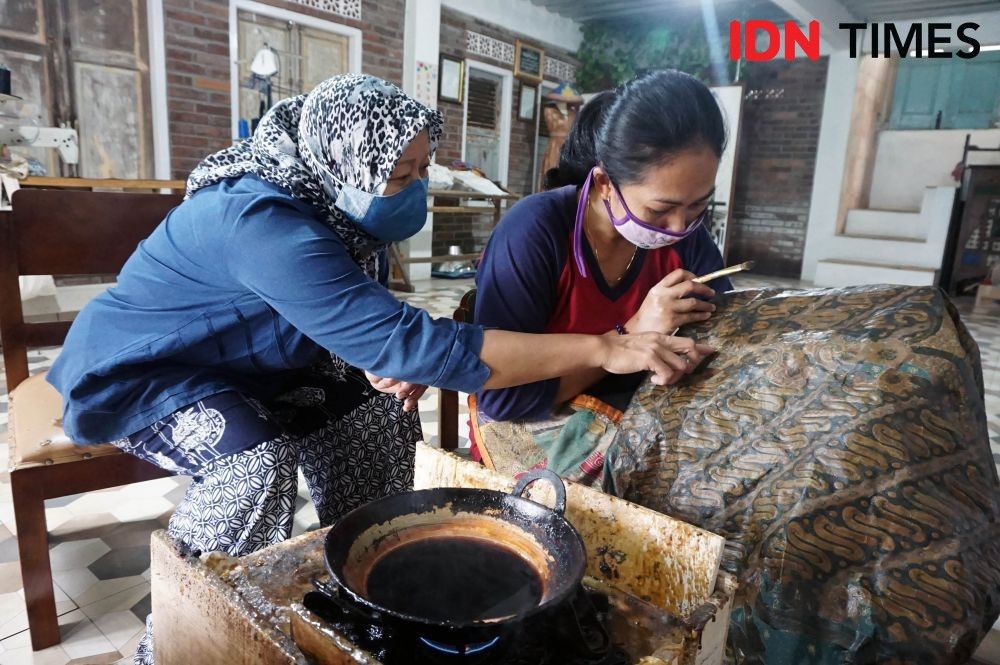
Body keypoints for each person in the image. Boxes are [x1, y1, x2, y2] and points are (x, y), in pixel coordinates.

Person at [46, 74, 709, 664]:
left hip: (249, 367)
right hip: (144, 373)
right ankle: (180, 633)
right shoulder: (258, 222)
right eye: (398, 175)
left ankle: (365, 591)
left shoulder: (336, 209)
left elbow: (365, 326)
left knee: (377, 421)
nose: (415, 189)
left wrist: (385, 355)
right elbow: (418, 343)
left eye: (422, 169)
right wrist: (605, 346)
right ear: (343, 165)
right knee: (257, 464)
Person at [471, 70, 732, 485]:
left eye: (699, 205)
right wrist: (625, 337)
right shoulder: (534, 232)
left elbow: (723, 342)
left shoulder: (690, 240)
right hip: (531, 428)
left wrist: (686, 356)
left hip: (633, 412)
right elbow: (503, 399)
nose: (679, 227)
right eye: (659, 210)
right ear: (605, 183)